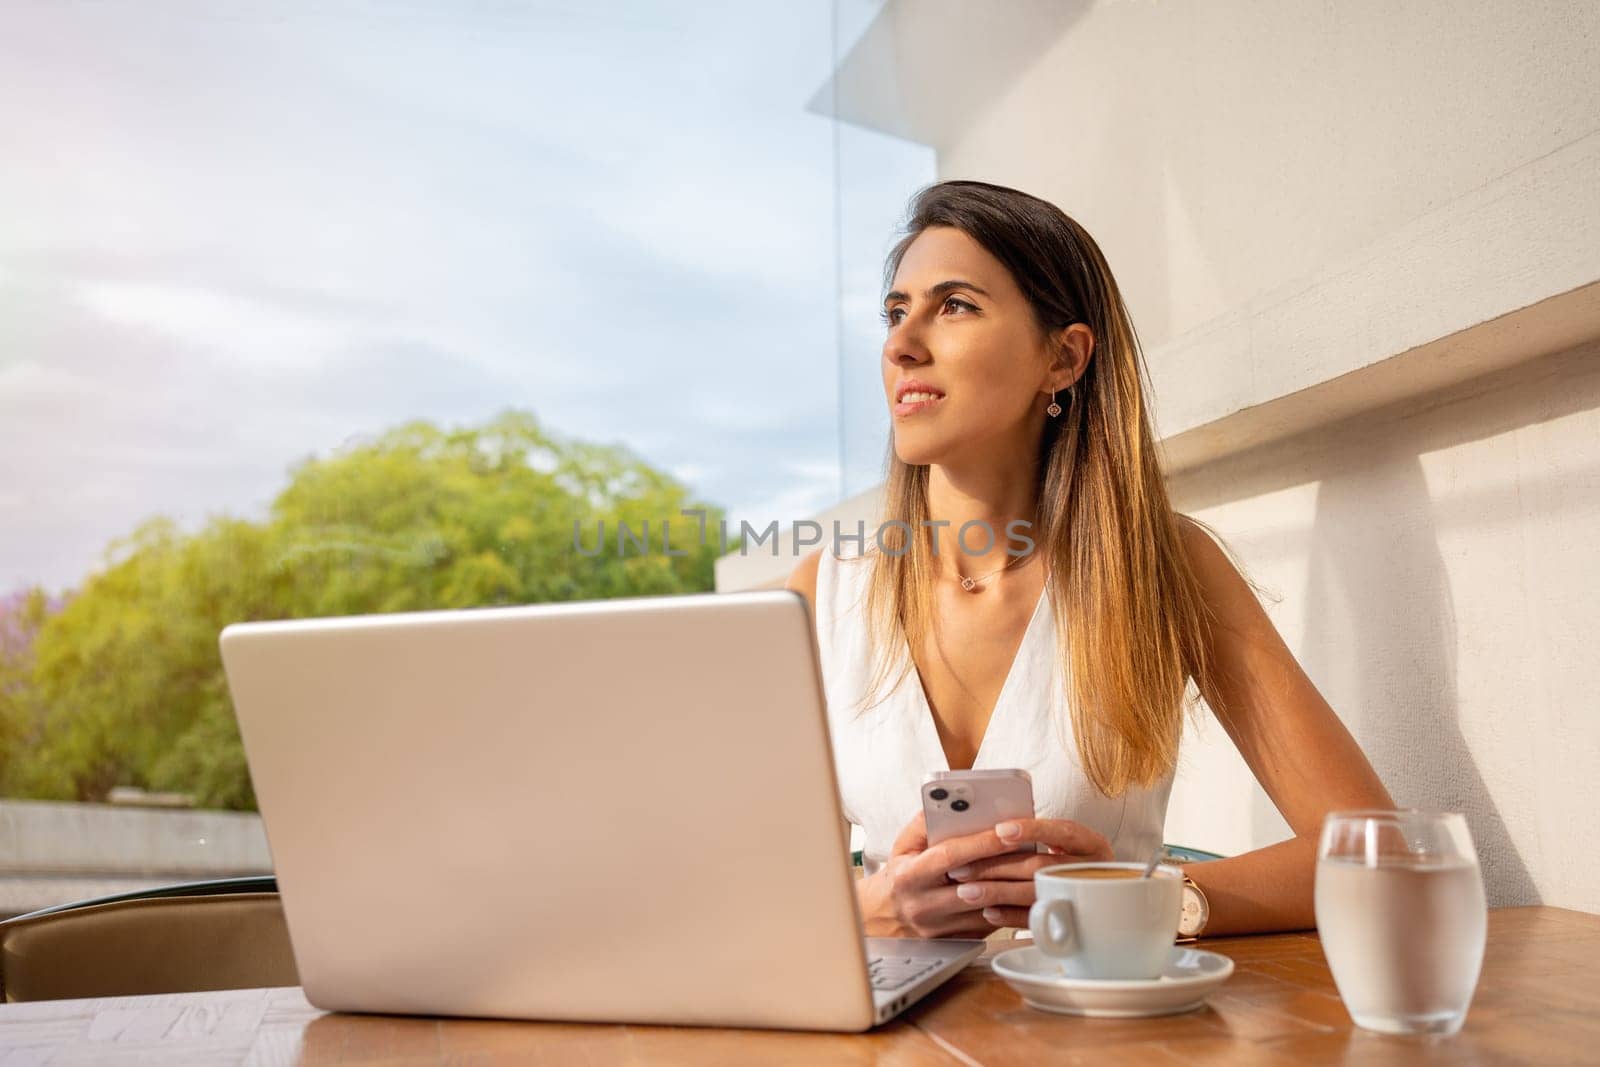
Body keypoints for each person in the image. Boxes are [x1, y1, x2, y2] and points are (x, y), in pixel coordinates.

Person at [786, 180, 1393, 940]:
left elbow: (1377, 853)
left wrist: (1137, 898)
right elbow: (728, 888)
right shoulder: (821, 596)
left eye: (956, 305)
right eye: (896, 311)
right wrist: (876, 905)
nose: (901, 344)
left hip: (1111, 1037)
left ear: (1064, 359)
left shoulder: (1166, 568)